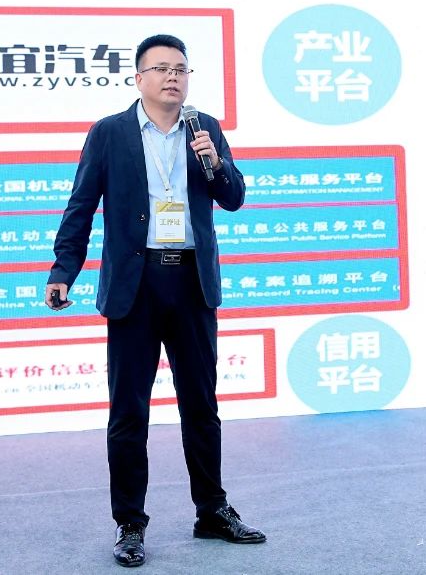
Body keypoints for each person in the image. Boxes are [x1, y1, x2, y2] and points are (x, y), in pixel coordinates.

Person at [44, 34, 266, 568]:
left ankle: (212, 511)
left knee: (202, 406)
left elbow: (234, 198)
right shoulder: (110, 132)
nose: (173, 77)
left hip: (191, 283)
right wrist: (63, 271)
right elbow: (81, 206)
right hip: (135, 286)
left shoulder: (204, 128)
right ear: (138, 78)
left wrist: (215, 163)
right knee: (129, 412)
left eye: (181, 69)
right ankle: (130, 524)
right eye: (162, 68)